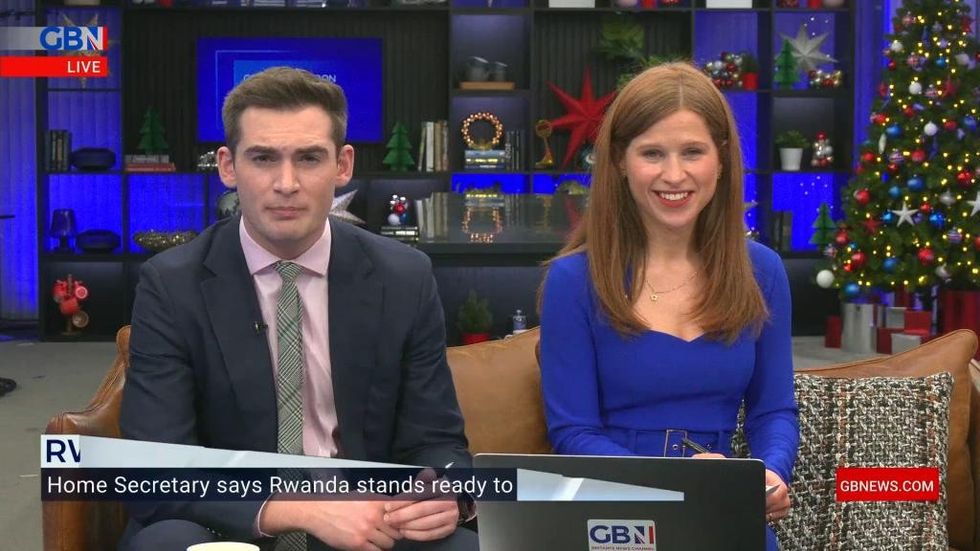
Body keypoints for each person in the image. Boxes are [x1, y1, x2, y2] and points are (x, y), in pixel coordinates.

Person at [119, 67, 476, 551]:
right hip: (231, 522)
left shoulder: (404, 277)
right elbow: (155, 467)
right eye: (263, 158)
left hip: (370, 522)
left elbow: (436, 439)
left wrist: (445, 493)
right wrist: (301, 511)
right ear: (227, 166)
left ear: (343, 165)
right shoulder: (171, 285)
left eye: (309, 158)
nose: (286, 183)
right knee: (164, 543)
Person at [538, 62, 799, 551]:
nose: (674, 174)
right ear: (620, 160)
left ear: (721, 159)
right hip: (614, 510)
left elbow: (774, 411)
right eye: (652, 153)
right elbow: (573, 433)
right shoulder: (573, 281)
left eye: (693, 152)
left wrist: (768, 474)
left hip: (720, 507)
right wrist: (678, 482)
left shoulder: (762, 271)